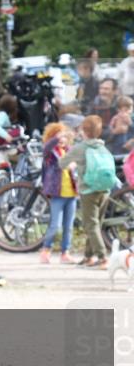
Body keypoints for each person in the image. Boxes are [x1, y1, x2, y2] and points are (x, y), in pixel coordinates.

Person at [60, 115, 119, 269]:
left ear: (83, 131)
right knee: (95, 224)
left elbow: (62, 163)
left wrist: (72, 162)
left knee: (90, 225)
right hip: (105, 189)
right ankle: (88, 257)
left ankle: (102, 258)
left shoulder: (81, 148)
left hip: (88, 191)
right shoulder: (102, 147)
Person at [39, 122, 78, 265]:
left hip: (71, 194)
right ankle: (46, 249)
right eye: (57, 136)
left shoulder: (69, 151)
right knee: (55, 225)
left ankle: (65, 253)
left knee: (68, 226)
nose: (61, 139)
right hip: (57, 194)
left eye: (63, 136)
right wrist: (57, 138)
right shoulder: (51, 153)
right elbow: (46, 147)